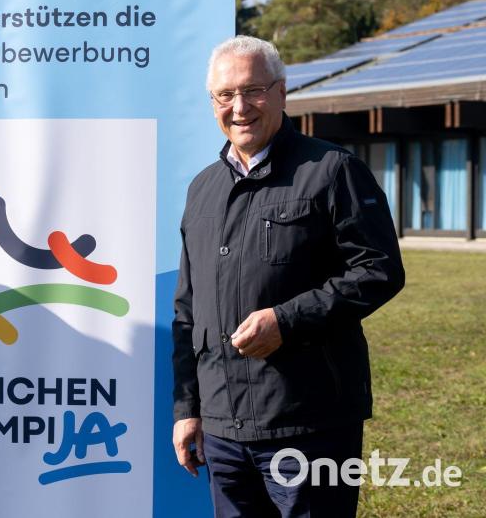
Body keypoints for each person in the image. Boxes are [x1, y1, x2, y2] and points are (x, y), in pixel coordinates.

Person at [171, 35, 405, 517]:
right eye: (225, 95)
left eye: (253, 90)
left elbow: (379, 270)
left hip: (308, 423)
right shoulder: (202, 190)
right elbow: (187, 312)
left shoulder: (332, 170)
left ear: (281, 91)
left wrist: (286, 320)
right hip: (222, 429)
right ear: (211, 102)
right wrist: (188, 409)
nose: (239, 107)